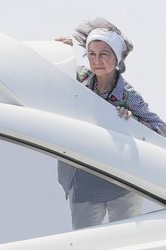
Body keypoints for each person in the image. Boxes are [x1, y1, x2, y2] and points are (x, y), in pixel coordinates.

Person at [56, 17, 166, 230]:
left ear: (117, 58)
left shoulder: (128, 95)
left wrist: (132, 121)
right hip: (86, 182)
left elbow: (160, 129)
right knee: (83, 242)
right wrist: (60, 50)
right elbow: (53, 75)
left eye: (104, 54)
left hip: (122, 183)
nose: (96, 60)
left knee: (126, 240)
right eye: (92, 54)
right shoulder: (80, 79)